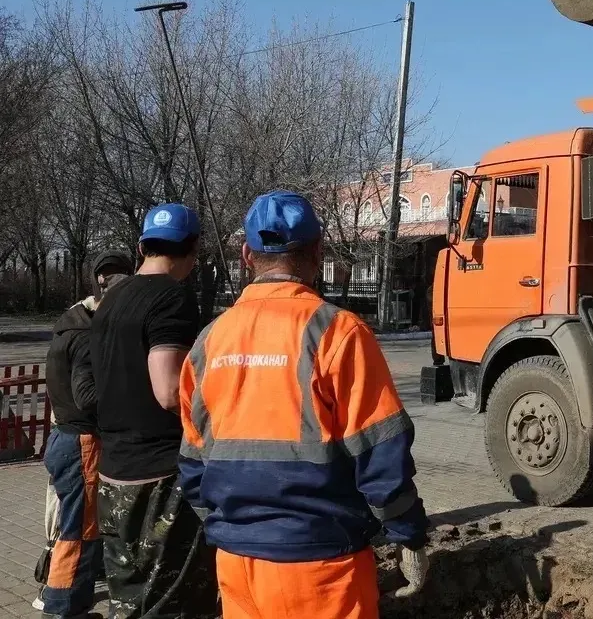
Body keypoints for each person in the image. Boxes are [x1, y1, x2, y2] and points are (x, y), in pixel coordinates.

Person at [178, 190, 429, 619]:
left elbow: (192, 461)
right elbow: (380, 452)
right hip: (322, 566)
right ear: (317, 252)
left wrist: (230, 524)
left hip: (236, 565)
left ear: (246, 255)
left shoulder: (209, 340)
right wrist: (409, 533)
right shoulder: (338, 333)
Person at [90, 205, 219, 619]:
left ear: (142, 246)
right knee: (171, 602)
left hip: (114, 471)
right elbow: (168, 391)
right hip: (160, 479)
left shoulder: (112, 298)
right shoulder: (172, 297)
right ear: (193, 250)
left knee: (128, 597)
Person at [35, 250, 132, 619]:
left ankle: (70, 602)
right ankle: (63, 607)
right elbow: (87, 396)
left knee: (76, 525)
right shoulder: (88, 333)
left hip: (64, 437)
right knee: (79, 529)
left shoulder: (68, 324)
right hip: (81, 441)